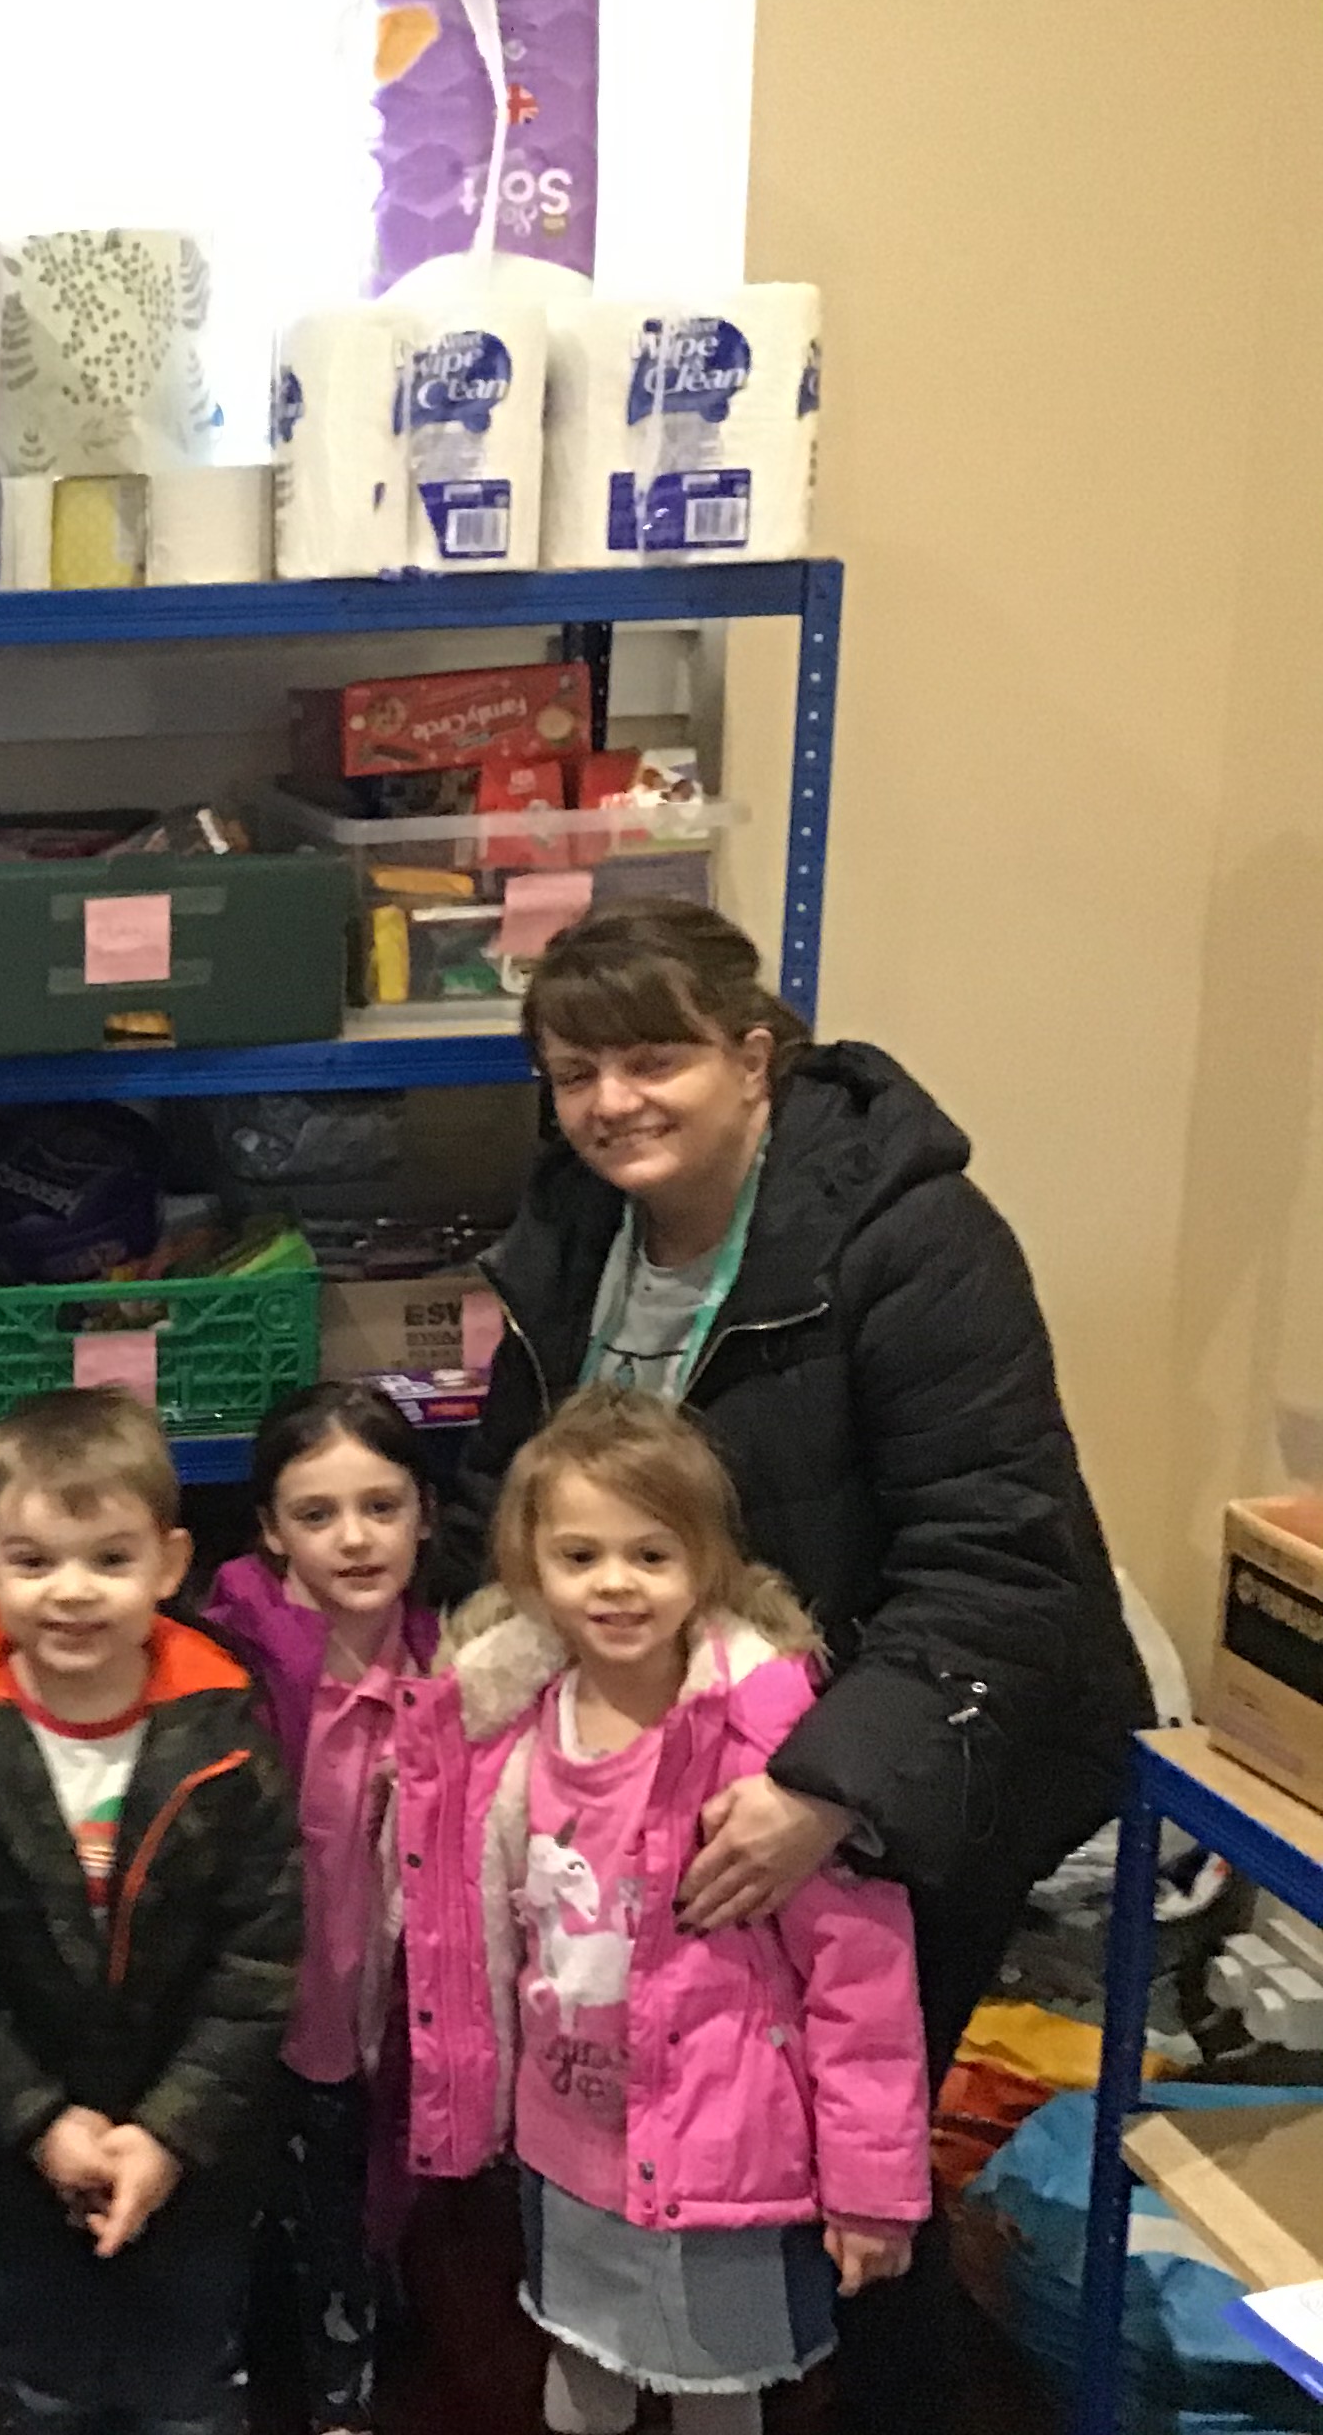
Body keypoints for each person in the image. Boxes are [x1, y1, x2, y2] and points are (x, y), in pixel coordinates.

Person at [445, 900, 1148, 2424]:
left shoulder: (913, 1239)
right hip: (666, 1787)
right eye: (577, 1073)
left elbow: (995, 1558)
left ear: (755, 1056)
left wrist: (827, 1790)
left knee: (849, 2204)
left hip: (897, 1778)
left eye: (654, 1058)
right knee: (674, 2162)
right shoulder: (575, 1232)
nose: (614, 1103)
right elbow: (512, 1496)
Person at [399, 1390, 931, 2435]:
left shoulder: (770, 1739)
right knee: (582, 2365)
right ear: (530, 1566)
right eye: (581, 1554)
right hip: (567, 2140)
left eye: (651, 1554)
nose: (616, 1584)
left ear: (705, 1562)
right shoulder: (504, 1728)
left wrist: (874, 2184)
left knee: (715, 2394)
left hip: (720, 2146)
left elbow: (859, 1968)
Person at [0, 1387, 300, 2435]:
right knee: (39, 2386)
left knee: (189, 2390)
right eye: (35, 1562)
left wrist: (166, 2133)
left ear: (169, 1562)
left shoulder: (226, 1745)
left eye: (109, 1561)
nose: (72, 1593)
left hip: (196, 2162)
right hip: (18, 2160)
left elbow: (260, 1964)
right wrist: (41, 2121)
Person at [203, 1381, 445, 2435]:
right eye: (316, 1514)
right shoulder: (227, 1666)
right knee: (233, 2253)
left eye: (381, 1507)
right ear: (269, 1531)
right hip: (248, 2028)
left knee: (353, 2248)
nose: (354, 1539)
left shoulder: (459, 1668)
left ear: (424, 1514)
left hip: (387, 2028)